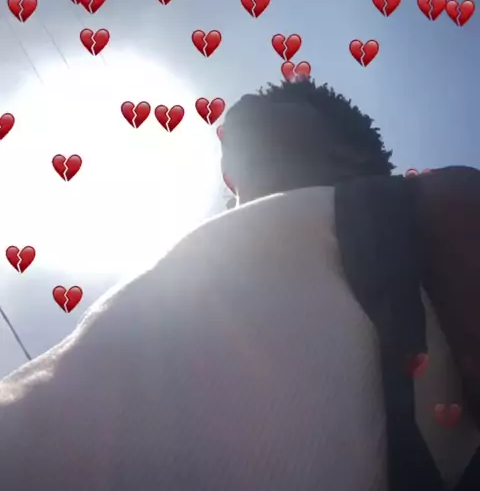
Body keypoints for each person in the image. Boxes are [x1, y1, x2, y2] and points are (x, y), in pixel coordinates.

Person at [0, 77, 479, 490]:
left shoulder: (413, 204)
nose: (246, 104)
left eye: (286, 102)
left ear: (349, 151)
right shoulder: (191, 259)